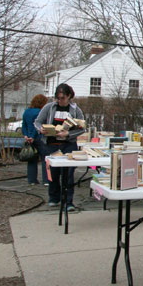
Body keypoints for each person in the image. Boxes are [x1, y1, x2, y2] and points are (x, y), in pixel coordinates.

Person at [34, 83, 85, 211]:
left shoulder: (75, 110)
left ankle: (68, 201)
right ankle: (54, 197)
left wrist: (68, 133)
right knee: (53, 173)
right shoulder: (49, 107)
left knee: (68, 174)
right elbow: (37, 122)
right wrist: (41, 129)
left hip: (68, 145)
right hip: (51, 145)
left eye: (62, 98)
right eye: (58, 98)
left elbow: (82, 128)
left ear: (69, 96)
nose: (60, 100)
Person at [22, 94, 48, 185]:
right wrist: (33, 136)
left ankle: (32, 180)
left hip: (29, 138)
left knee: (32, 159)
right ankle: (46, 180)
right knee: (45, 159)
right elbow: (37, 126)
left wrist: (26, 135)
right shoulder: (41, 112)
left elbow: (24, 125)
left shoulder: (26, 111)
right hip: (39, 138)